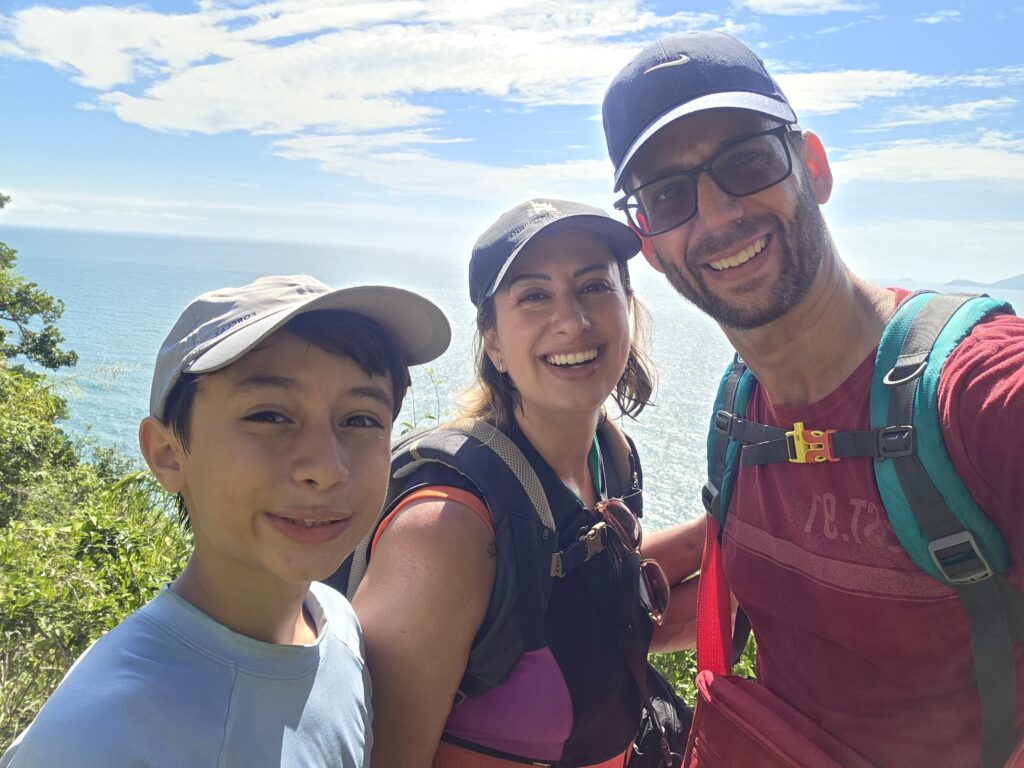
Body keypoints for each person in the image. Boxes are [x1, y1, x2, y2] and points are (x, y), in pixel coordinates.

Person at [601, 30, 1024, 768]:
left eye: (747, 162)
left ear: (814, 167)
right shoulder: (740, 410)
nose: (717, 216)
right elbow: (743, 586)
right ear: (649, 240)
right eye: (669, 196)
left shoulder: (979, 396)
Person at [0, 274, 451, 767]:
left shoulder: (336, 625)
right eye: (270, 416)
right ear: (168, 454)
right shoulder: (96, 737)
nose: (325, 468)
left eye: (361, 419)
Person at [346, 199, 706, 768]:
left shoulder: (610, 456)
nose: (573, 320)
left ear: (628, 309)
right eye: (535, 296)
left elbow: (592, 611)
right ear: (492, 341)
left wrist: (741, 540)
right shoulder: (445, 528)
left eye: (594, 287)